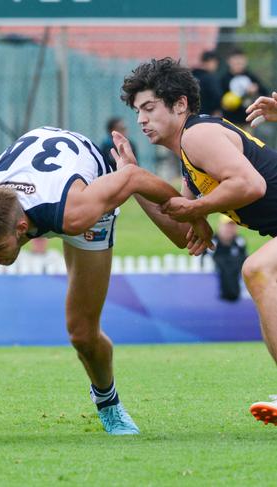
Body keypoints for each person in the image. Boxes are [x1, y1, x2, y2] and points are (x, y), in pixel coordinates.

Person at [0, 125, 213, 435]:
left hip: (79, 184)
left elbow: (135, 178)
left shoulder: (76, 212)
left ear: (22, 230)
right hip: (30, 177)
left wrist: (192, 211)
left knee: (82, 333)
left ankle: (108, 404)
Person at [119, 57, 277, 425]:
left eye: (149, 108)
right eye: (137, 111)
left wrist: (199, 209)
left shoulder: (198, 135)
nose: (141, 119)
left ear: (180, 105)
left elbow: (251, 185)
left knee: (258, 269)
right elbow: (184, 234)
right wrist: (134, 179)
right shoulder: (188, 160)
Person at [219, 48, 267, 127]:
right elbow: (217, 97)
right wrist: (224, 103)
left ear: (245, 61)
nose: (238, 64)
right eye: (236, 62)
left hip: (247, 121)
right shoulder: (224, 78)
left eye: (240, 62)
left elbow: (264, 92)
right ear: (229, 62)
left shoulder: (251, 77)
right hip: (229, 121)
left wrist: (255, 90)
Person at [208, 215, 247, 302]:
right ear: (220, 226)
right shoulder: (212, 241)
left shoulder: (240, 241)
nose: (229, 229)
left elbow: (245, 259)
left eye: (232, 226)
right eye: (227, 225)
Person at [191, 50, 223, 117]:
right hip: (208, 116)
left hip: (191, 116)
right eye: (215, 63)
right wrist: (217, 109)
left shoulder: (190, 76)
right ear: (211, 61)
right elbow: (217, 96)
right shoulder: (210, 78)